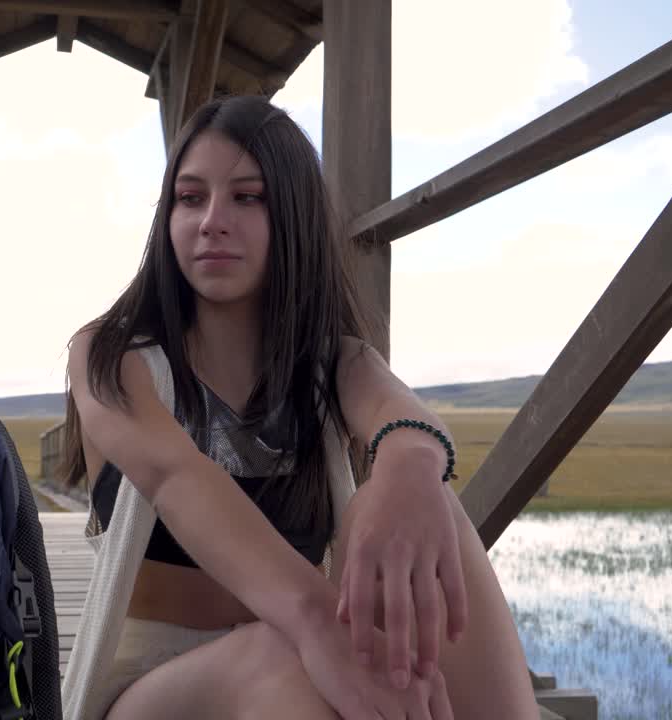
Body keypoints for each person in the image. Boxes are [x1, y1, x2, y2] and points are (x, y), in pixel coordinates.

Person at [59, 95, 535, 719]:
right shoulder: (111, 355)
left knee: (428, 500)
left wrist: (410, 468)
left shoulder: (333, 364)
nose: (212, 221)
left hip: (296, 657)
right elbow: (177, 478)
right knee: (281, 656)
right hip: (151, 687)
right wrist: (318, 626)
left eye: (247, 198)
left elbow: (403, 416)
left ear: (294, 214)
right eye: (190, 197)